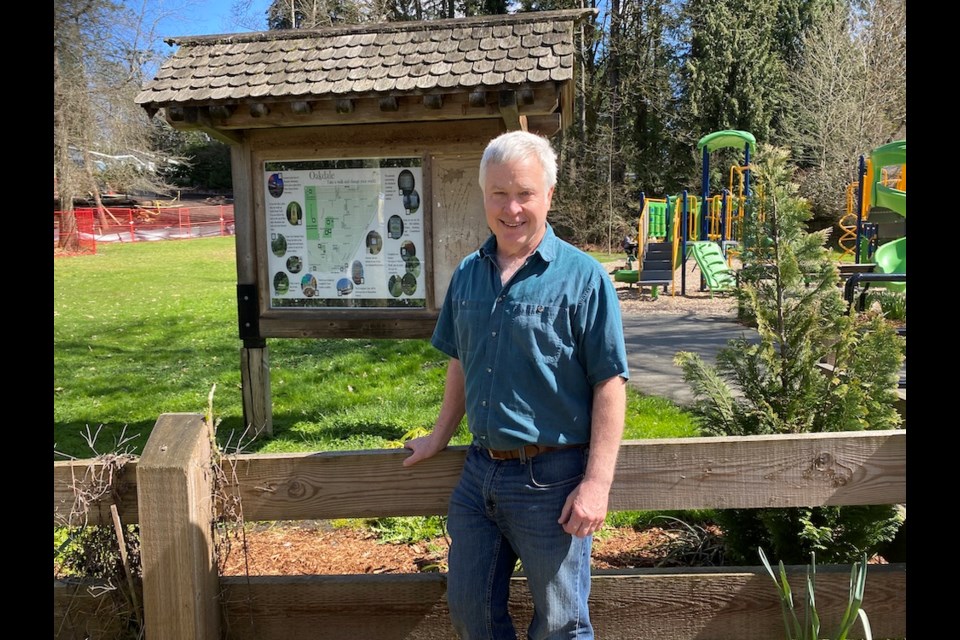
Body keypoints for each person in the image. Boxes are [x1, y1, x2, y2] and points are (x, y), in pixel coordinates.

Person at [402, 130, 630, 640]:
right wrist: (440, 436)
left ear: (549, 194)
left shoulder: (583, 277)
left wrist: (597, 483)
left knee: (560, 625)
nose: (512, 208)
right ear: (484, 196)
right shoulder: (467, 274)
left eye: (524, 193)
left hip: (553, 480)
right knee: (470, 614)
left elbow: (610, 383)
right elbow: (461, 360)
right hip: (477, 474)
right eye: (499, 194)